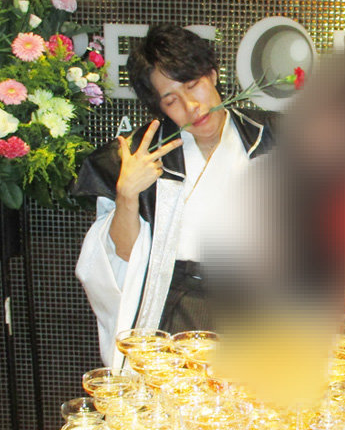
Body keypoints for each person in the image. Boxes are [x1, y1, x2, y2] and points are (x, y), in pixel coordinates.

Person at [73, 24, 276, 368]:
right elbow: (123, 257)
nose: (191, 106)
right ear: (160, 108)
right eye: (171, 100)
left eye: (193, 84)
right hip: (182, 310)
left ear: (212, 74)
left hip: (261, 309)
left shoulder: (270, 138)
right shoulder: (138, 157)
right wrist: (127, 195)